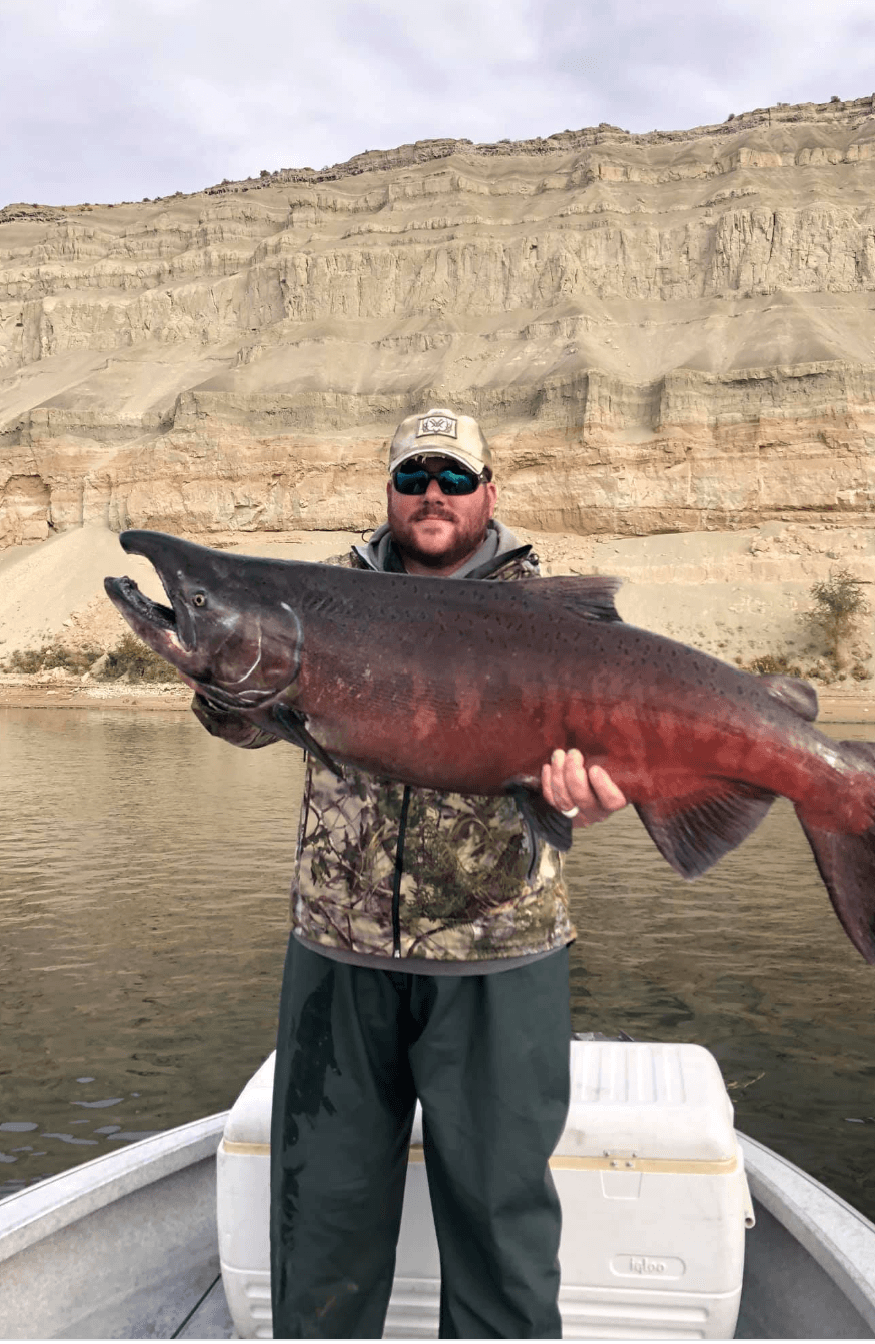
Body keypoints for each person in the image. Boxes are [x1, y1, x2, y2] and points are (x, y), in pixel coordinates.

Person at [193, 408, 626, 1339]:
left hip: (500, 959)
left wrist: (595, 793)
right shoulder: (319, 598)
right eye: (415, 475)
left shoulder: (553, 611)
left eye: (455, 479)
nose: (434, 494)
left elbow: (608, 771)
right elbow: (241, 723)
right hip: (337, 956)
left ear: (489, 495)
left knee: (501, 1233)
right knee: (322, 1226)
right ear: (388, 491)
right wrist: (215, 678)